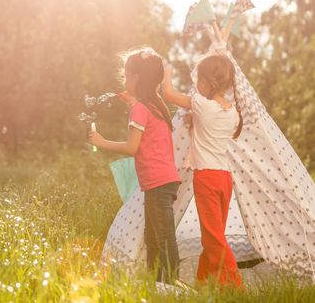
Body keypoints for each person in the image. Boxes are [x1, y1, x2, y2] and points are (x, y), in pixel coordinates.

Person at [89, 48, 181, 283]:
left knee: (163, 239)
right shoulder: (155, 105)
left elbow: (132, 147)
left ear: (137, 78)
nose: (124, 79)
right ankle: (158, 284)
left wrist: (102, 142)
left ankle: (170, 286)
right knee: (153, 238)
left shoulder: (141, 108)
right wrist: (133, 101)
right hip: (161, 182)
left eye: (127, 75)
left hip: (157, 183)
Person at [162, 53, 243, 288]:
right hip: (225, 179)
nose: (196, 83)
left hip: (206, 178)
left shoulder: (201, 103)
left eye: (198, 78)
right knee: (214, 235)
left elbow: (168, 94)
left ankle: (236, 287)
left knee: (213, 238)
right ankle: (204, 283)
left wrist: (167, 75)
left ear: (208, 82)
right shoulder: (233, 114)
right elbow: (209, 125)